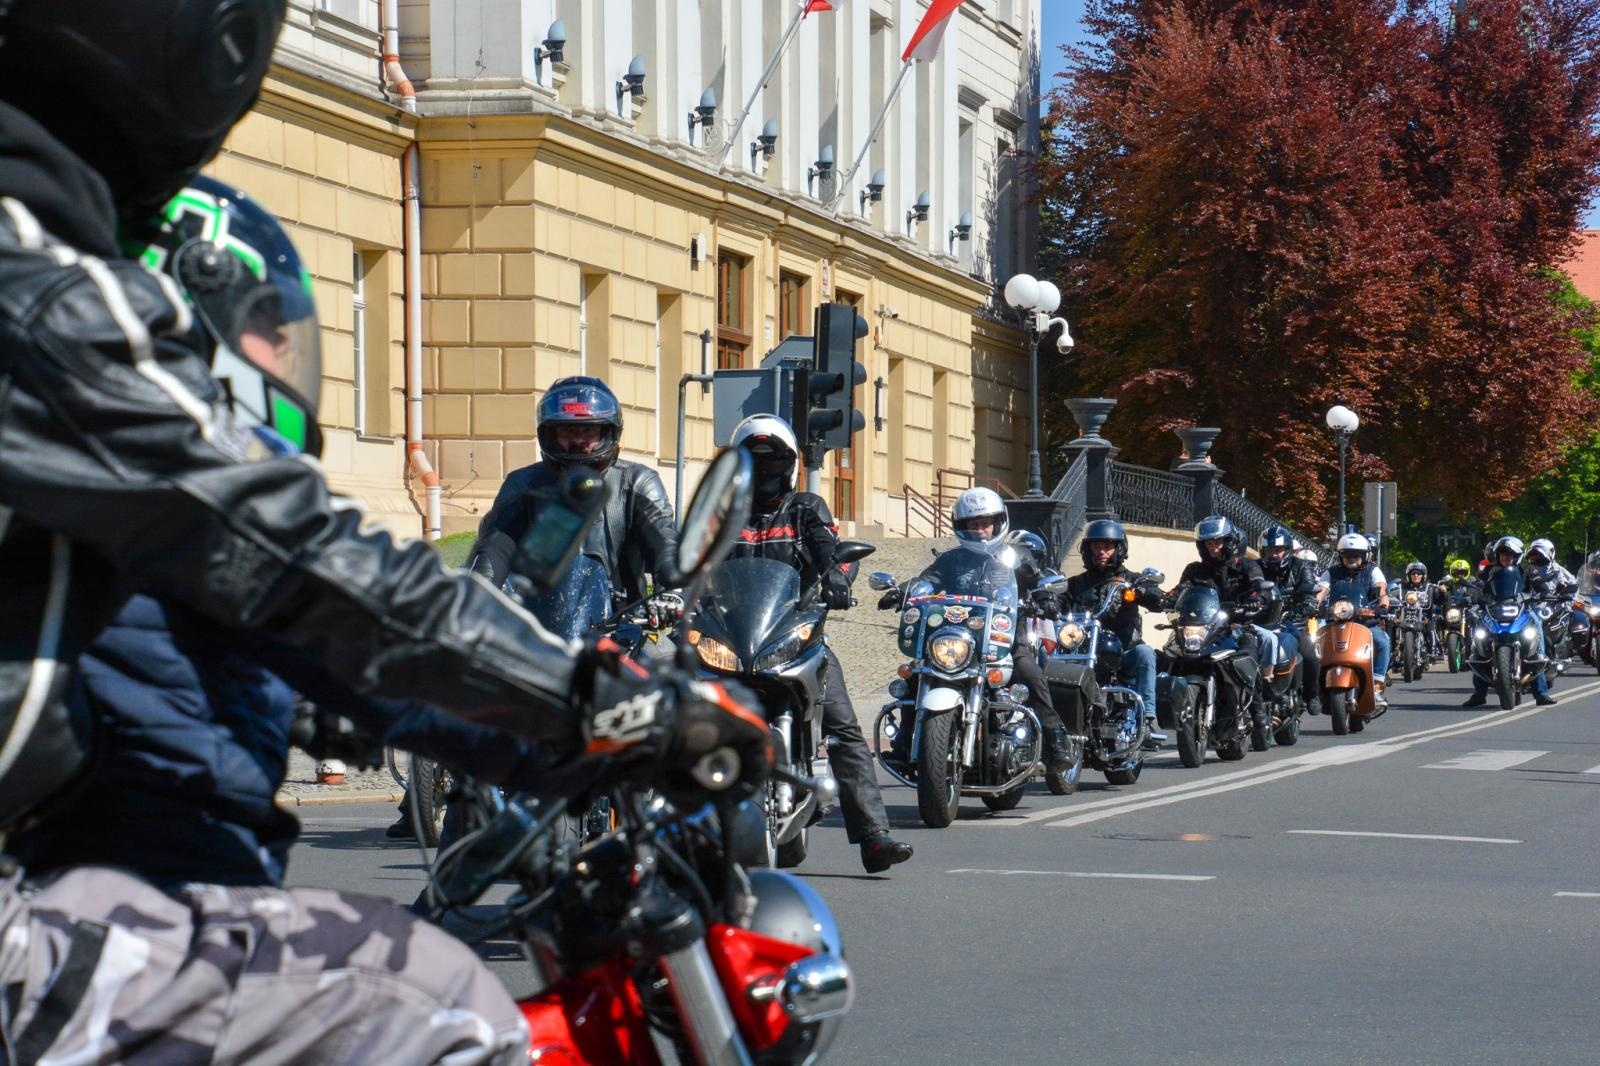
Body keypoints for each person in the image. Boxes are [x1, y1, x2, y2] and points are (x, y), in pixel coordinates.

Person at [0, 6, 771, 1059]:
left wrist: (565, 733)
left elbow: (353, 659)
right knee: (429, 1000)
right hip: (61, 914)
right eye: (274, 336)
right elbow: (314, 577)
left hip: (90, 900)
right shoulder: (39, 298)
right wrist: (599, 704)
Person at [388, 374, 682, 839]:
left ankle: (662, 815)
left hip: (622, 625)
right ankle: (433, 808)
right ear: (550, 436)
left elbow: (664, 543)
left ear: (609, 434)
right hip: (540, 621)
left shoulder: (637, 484)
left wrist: (673, 590)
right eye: (567, 431)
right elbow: (495, 549)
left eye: (588, 431)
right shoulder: (524, 485)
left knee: (673, 690)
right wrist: (473, 598)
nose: (578, 440)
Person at [727, 415, 913, 874]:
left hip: (794, 635)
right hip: (732, 640)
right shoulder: (720, 512)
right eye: (754, 461)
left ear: (789, 465)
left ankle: (874, 836)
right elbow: (690, 561)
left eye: (773, 462)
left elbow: (831, 548)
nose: (764, 470)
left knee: (845, 729)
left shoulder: (805, 506)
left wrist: (837, 575)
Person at [1064, 518, 1165, 746]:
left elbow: (1158, 600)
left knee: (1146, 654)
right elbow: (1055, 600)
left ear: (1119, 549)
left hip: (1124, 651)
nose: (1102, 552)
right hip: (1084, 652)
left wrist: (1145, 591)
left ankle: (1147, 719)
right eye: (1097, 546)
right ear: (1087, 549)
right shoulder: (1075, 585)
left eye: (1108, 547)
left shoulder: (1130, 580)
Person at [1173, 516, 1281, 724]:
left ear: (1229, 542)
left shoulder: (1245, 565)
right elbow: (1181, 590)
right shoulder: (1194, 569)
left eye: (1218, 542)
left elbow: (1258, 582)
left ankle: (1258, 710)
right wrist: (1167, 598)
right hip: (1204, 628)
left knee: (1248, 657)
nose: (1214, 548)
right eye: (1209, 543)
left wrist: (1257, 598)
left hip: (1238, 625)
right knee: (1172, 652)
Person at [1465, 536, 1556, 706]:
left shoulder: (1526, 571)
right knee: (1479, 644)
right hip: (1493, 611)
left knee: (1536, 633)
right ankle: (1479, 694)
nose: (1506, 557)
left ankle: (1541, 693)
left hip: (1520, 610)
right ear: (1497, 555)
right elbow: (1477, 586)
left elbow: (1539, 585)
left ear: (1517, 556)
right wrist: (1472, 595)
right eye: (1503, 554)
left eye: (1510, 554)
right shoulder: (1488, 571)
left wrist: (1543, 592)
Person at [1257, 525, 1326, 710]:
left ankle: (1312, 695)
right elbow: (1244, 587)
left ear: (1286, 550)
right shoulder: (1256, 567)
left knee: (1311, 655)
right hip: (1262, 622)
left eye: (1278, 550)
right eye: (1269, 550)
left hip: (1293, 621)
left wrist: (1308, 604)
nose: (1273, 554)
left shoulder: (1301, 566)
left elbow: (1310, 589)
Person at [1319, 533, 1391, 708]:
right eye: (1347, 555)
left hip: (1364, 623)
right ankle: (1313, 688)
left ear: (1365, 556)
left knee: (1382, 642)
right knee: (1313, 645)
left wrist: (1382, 606)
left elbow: (1382, 589)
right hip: (1335, 622)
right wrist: (1313, 603)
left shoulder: (1372, 570)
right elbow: (1321, 590)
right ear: (1340, 556)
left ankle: (1377, 683)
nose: (1351, 559)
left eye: (1356, 555)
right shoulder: (1332, 572)